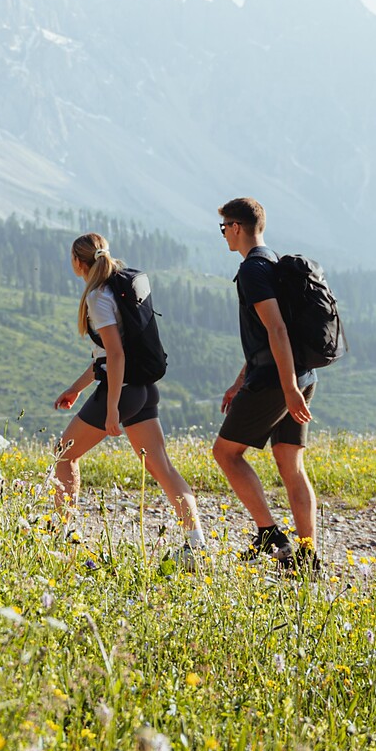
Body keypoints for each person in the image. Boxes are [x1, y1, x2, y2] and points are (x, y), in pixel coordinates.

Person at [50, 232, 209, 563]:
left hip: (121, 391)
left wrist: (111, 410)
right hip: (143, 388)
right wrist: (76, 389)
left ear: (78, 263)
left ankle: (66, 538)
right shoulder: (119, 289)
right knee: (161, 466)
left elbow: (116, 355)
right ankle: (196, 544)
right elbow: (105, 359)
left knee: (64, 455)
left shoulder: (97, 297)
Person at [212, 197, 320, 575]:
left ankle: (269, 535)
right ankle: (308, 558)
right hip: (303, 375)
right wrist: (238, 381)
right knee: (290, 462)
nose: (223, 233)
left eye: (224, 226)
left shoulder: (253, 271)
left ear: (237, 227)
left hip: (278, 380)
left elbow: (276, 330)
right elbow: (269, 332)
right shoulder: (273, 261)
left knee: (225, 453)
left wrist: (286, 387)